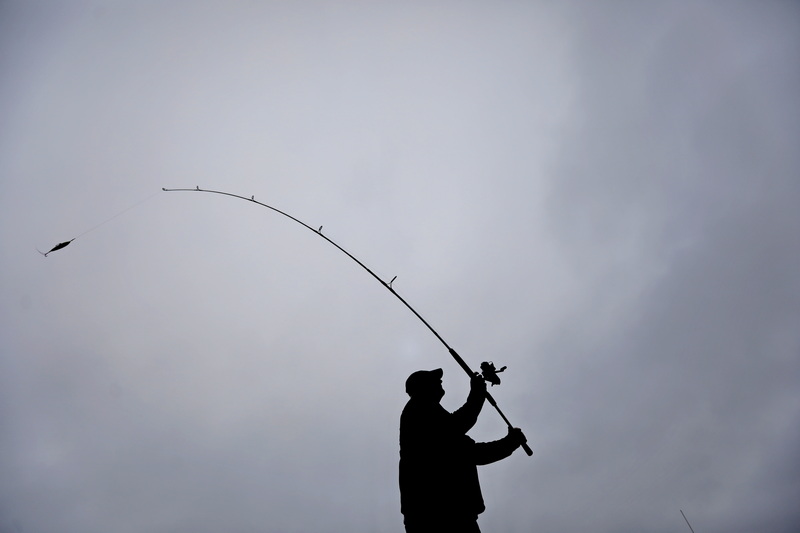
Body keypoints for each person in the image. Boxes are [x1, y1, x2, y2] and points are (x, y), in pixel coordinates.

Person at [399, 368, 526, 533]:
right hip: (436, 514)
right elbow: (457, 426)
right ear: (422, 387)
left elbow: (471, 453)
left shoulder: (433, 417)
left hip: (453, 513)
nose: (440, 380)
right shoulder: (418, 409)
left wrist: (509, 443)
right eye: (433, 379)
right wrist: (477, 393)